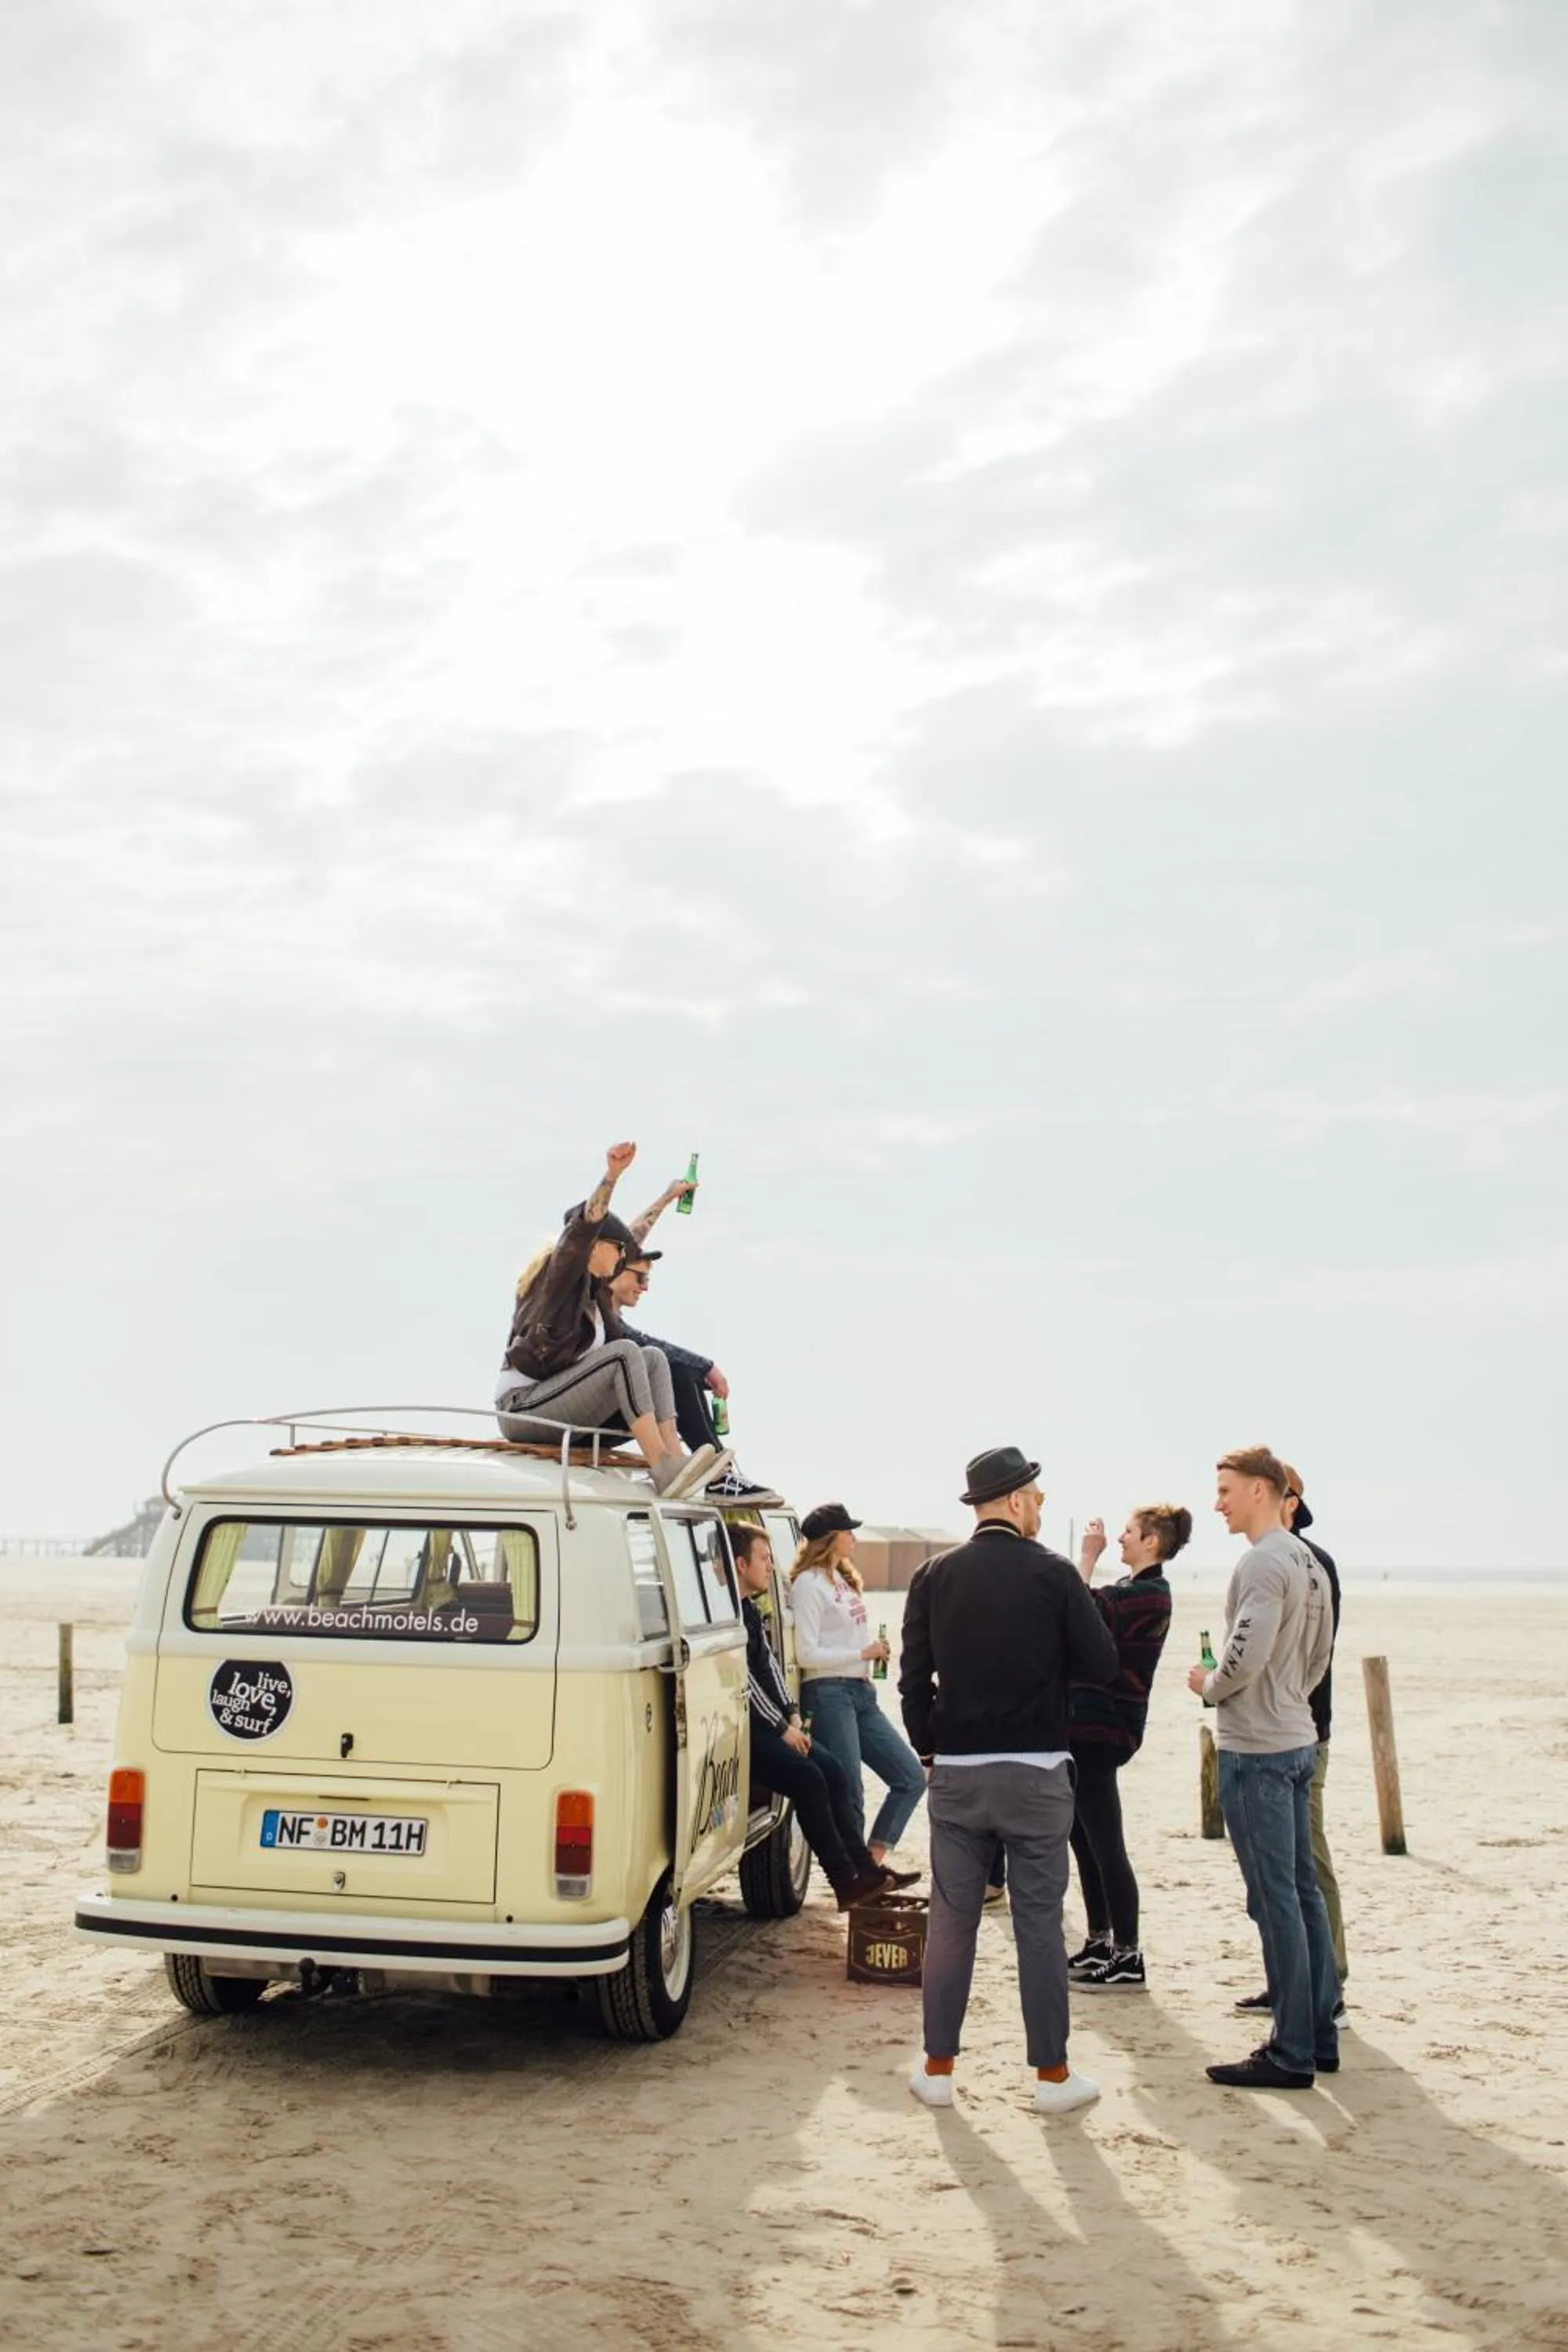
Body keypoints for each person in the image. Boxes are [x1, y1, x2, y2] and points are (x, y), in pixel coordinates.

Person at [898, 1446, 1118, 2116]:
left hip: (959, 1772)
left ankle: (938, 2070)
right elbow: (1103, 1664)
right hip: (1036, 1769)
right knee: (1040, 1925)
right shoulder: (1054, 1574)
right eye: (1038, 1500)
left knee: (951, 1922)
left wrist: (930, 1749)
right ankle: (1052, 2076)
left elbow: (912, 1681)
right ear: (1018, 1501)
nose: (1040, 1510)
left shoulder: (933, 1575)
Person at [1190, 1444, 1339, 2089]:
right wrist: (1289, 1700)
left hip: (1258, 1750)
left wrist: (1209, 1686)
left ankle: (1290, 2051)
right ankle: (1319, 2036)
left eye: (1225, 1490)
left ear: (1260, 1489)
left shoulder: (1265, 1560)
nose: (1217, 1503)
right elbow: (1318, 1658)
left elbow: (1243, 1657)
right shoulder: (1310, 1561)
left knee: (1275, 1899)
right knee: (1302, 1893)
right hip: (1296, 1737)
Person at [494, 1141, 723, 1498]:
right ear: (593, 1247)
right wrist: (612, 1176)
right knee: (624, 1353)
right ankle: (661, 1466)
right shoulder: (560, 1278)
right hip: (523, 1407)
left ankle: (676, 1462)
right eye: (617, 1250)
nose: (621, 1258)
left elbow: (632, 1236)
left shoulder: (595, 1292)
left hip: (557, 1403)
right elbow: (585, 1227)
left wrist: (667, 1198)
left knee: (653, 1358)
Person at [730, 1525, 905, 1909]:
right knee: (809, 1779)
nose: (770, 1566)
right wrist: (781, 1727)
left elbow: (770, 1669)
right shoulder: (729, 1613)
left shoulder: (750, 1610)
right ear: (741, 1564)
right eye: (764, 1558)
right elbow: (742, 1679)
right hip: (746, 1730)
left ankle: (866, 1871)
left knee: (833, 1771)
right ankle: (844, 1882)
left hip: (773, 1722)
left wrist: (792, 1714)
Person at [1234, 1462, 1348, 2015]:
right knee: (1286, 1876)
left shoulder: (1301, 1561)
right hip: (1294, 1727)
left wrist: (1217, 1685)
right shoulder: (1288, 1560)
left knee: (1302, 1871)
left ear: (1288, 1500)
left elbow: (1307, 1655)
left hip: (1294, 1735)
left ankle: (1326, 1990)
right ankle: (1295, 1986)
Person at [1064, 1503, 1185, 1993]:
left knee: (1106, 1843)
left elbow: (1078, 1612)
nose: (1120, 1538)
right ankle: (1101, 1939)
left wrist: (1086, 1556)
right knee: (1082, 1838)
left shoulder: (1149, 1595)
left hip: (1106, 1728)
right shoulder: (1131, 1589)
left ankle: (1128, 1955)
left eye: (1129, 1532)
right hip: (1087, 1726)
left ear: (1152, 1541)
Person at [789, 1504, 927, 1869]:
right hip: (829, 1693)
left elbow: (841, 1641)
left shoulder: (842, 1581)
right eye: (848, 1531)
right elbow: (805, 1654)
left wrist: (872, 1653)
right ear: (830, 1538)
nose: (854, 1538)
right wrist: (861, 1653)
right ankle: (857, 1876)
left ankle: (871, 1863)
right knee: (850, 1789)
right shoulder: (808, 1585)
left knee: (911, 1777)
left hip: (860, 1692)